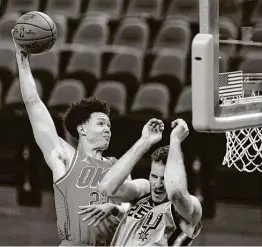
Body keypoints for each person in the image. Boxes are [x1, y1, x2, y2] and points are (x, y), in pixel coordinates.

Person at [12, 32, 128, 246]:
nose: (107, 130)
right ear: (82, 128)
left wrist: (117, 209)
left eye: (109, 126)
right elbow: (33, 103)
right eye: (101, 123)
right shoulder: (65, 158)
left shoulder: (118, 167)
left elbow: (131, 210)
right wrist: (23, 63)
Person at [98, 119, 202, 246]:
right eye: (154, 176)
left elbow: (175, 193)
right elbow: (106, 188)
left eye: (164, 179)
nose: (157, 185)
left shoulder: (189, 207)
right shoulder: (143, 191)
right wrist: (145, 141)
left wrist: (175, 140)